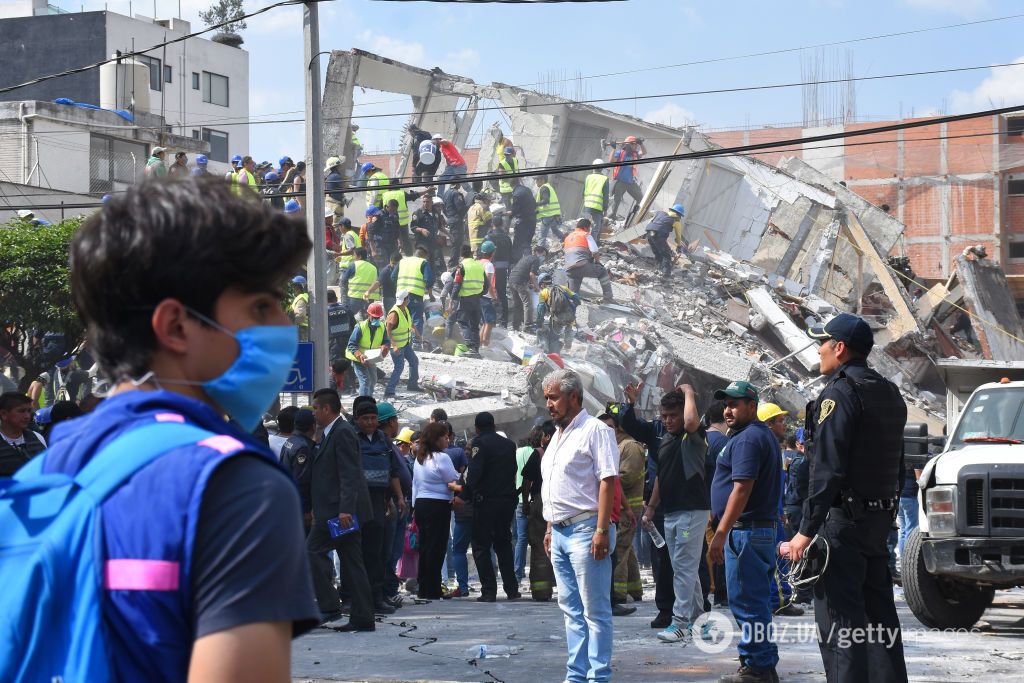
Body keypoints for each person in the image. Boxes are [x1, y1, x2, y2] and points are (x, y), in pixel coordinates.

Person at [42, 176, 318, 677]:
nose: (284, 324)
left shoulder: (45, 470)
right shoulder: (237, 487)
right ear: (174, 326)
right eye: (260, 305)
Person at [788, 313, 909, 683]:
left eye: (822, 344)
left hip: (842, 528)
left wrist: (805, 531)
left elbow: (828, 468)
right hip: (876, 524)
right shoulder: (888, 391)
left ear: (839, 349)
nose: (818, 351)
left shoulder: (839, 393)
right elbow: (899, 462)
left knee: (842, 628)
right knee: (880, 628)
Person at [541, 369, 619, 683]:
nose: (549, 404)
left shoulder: (595, 430)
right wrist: (549, 529)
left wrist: (601, 530)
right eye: (546, 398)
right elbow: (554, 487)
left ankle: (598, 677)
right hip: (559, 533)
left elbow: (607, 481)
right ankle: (576, 675)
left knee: (595, 612)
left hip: (587, 531)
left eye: (554, 397)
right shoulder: (558, 435)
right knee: (571, 611)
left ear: (574, 397)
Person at [708, 381, 781, 683]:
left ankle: (758, 667)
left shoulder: (749, 439)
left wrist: (721, 532)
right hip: (755, 532)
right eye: (726, 404)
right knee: (755, 601)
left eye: (735, 404)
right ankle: (759, 663)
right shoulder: (753, 436)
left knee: (748, 603)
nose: (728, 409)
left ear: (752, 407)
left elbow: (742, 488)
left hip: (745, 533)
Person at [629, 387, 710, 643]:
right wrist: (651, 508)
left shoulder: (693, 437)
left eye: (672, 415)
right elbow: (662, 478)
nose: (668, 420)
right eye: (664, 416)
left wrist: (689, 392)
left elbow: (689, 421)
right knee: (683, 568)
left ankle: (680, 623)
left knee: (684, 568)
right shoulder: (665, 441)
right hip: (671, 512)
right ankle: (700, 622)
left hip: (692, 511)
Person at [308, 389, 377, 630]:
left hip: (342, 514)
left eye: (316, 408)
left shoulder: (342, 432)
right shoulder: (331, 433)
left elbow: (349, 474)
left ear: (327, 409)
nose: (314, 413)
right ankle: (361, 616)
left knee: (313, 552)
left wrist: (346, 510)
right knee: (351, 562)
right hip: (334, 512)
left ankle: (332, 607)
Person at [458, 412, 520, 601]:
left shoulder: (479, 443)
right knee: (504, 543)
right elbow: (512, 471)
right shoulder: (509, 445)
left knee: (481, 545)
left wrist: (464, 496)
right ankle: (511, 589)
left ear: (477, 428)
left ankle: (489, 590)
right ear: (493, 425)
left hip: (486, 502)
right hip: (506, 501)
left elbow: (474, 473)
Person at [351, 397, 405, 615]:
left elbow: (392, 472)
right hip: (357, 500)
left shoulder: (383, 440)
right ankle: (356, 599)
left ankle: (377, 597)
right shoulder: (352, 438)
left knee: (378, 552)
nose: (370, 422)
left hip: (379, 500)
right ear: (357, 420)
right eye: (365, 418)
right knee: (357, 552)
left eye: (373, 418)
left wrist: (397, 497)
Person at [757, 402, 803, 617]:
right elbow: (770, 484)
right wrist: (777, 510)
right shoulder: (769, 447)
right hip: (769, 513)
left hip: (770, 511)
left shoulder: (768, 446)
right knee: (779, 557)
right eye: (780, 421)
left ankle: (772, 598)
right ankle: (781, 600)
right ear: (768, 424)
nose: (784, 425)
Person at [599, 412, 646, 608]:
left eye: (609, 427)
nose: (605, 431)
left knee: (618, 548)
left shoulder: (630, 447)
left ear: (617, 427)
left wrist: (604, 479)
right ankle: (635, 588)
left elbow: (626, 477)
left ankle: (617, 594)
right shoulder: (614, 446)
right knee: (627, 548)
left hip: (628, 507)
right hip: (619, 506)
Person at [413, 422, 460, 600]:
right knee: (437, 547)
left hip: (421, 503)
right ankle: (433, 588)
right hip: (438, 504)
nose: (447, 440)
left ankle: (424, 587)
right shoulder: (442, 457)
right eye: (445, 437)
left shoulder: (420, 457)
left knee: (425, 547)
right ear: (436, 439)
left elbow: (415, 484)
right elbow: (453, 478)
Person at [521, 420, 557, 601]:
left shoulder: (539, 454)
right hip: (563, 502)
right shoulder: (564, 451)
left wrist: (525, 502)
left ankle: (542, 591)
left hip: (541, 501)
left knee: (539, 546)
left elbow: (527, 481)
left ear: (547, 436)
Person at [279, 408, 315, 529]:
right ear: (313, 426)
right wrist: (305, 510)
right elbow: (302, 479)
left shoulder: (290, 441)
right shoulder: (303, 447)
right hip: (299, 504)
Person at [563, 219, 613, 302]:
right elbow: (595, 251)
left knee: (573, 295)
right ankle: (608, 298)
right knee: (602, 272)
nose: (590, 229)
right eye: (589, 227)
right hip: (582, 266)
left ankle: (572, 304)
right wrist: (598, 262)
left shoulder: (568, 237)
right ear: (586, 228)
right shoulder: (586, 235)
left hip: (569, 269)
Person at [346, 302, 390, 397]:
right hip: (358, 358)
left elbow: (386, 341)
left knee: (373, 380)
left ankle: (368, 398)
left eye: (378, 317)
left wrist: (385, 346)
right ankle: (363, 403)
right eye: (374, 317)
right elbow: (351, 344)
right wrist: (359, 355)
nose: (376, 319)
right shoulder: (360, 327)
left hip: (371, 358)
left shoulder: (382, 327)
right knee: (365, 381)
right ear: (368, 315)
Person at [448, 244, 485, 354]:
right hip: (477, 299)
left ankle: (470, 346)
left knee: (463, 322)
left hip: (466, 299)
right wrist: (480, 293)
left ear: (461, 254)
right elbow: (486, 284)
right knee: (474, 325)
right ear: (471, 253)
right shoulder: (479, 265)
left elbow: (457, 284)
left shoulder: (462, 266)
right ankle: (476, 350)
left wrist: (452, 300)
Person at [383, 290, 421, 398]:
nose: (409, 300)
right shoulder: (394, 313)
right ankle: (389, 391)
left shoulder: (405, 309)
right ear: (405, 299)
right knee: (399, 367)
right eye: (407, 298)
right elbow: (388, 330)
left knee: (414, 361)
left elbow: (410, 322)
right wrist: (394, 346)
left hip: (405, 344)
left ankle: (412, 385)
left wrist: (417, 333)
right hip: (397, 346)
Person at [0, 392, 48, 476]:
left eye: (29, 411)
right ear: (3, 414)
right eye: (21, 411)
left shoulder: (37, 437)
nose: (27, 416)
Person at [483, 209, 514, 327]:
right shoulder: (507, 238)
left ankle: (489, 320)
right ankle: (504, 321)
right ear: (501, 224)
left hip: (489, 269)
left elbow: (483, 255)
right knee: (502, 293)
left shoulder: (488, 237)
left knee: (487, 293)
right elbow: (511, 256)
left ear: (492, 224)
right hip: (502, 270)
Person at [536, 273, 580, 354]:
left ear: (542, 284)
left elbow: (540, 309)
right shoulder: (563, 288)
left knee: (552, 337)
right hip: (570, 316)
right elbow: (577, 299)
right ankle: (567, 342)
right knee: (567, 328)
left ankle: (552, 354)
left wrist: (539, 322)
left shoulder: (544, 292)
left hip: (558, 319)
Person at [509, 244, 547, 332]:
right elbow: (531, 274)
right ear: (538, 252)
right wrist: (537, 287)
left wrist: (529, 284)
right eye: (543, 255)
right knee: (528, 303)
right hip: (519, 282)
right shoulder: (535, 260)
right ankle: (528, 326)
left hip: (511, 280)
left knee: (518, 304)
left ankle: (516, 326)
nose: (543, 258)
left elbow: (523, 271)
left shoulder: (526, 257)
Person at [608, 136, 647, 219]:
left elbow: (644, 152)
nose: (635, 146)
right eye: (634, 144)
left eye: (636, 144)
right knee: (616, 200)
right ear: (628, 145)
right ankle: (612, 216)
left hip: (630, 182)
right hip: (620, 181)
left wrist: (641, 144)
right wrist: (613, 148)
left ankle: (635, 214)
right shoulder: (620, 153)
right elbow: (611, 161)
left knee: (640, 198)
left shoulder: (635, 154)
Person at [645, 204, 685, 279]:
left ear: (671, 210)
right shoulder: (676, 220)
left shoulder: (660, 213)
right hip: (659, 236)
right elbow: (678, 237)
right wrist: (679, 246)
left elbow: (650, 222)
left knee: (658, 252)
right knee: (666, 255)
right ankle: (666, 276)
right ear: (679, 215)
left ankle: (659, 269)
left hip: (649, 234)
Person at [340, 247, 380, 318]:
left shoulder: (353, 265)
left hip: (355, 296)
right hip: (369, 296)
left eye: (354, 255)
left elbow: (343, 280)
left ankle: (352, 328)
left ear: (359, 256)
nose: (353, 257)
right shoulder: (373, 267)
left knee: (350, 316)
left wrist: (345, 295)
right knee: (367, 316)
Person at [508, 176, 537, 263]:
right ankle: (529, 264)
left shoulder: (516, 194)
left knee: (517, 245)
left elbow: (514, 210)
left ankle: (515, 265)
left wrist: (507, 214)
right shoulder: (527, 190)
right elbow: (534, 204)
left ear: (511, 185)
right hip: (532, 220)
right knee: (527, 244)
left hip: (523, 223)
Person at [581, 160, 610, 244]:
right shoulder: (604, 179)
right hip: (597, 207)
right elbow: (605, 196)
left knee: (585, 226)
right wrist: (605, 209)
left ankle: (583, 243)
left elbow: (583, 193)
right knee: (595, 227)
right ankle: (592, 246)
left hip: (587, 206)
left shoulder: (588, 177)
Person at [442, 181, 469, 268]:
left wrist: (450, 217)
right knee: (456, 243)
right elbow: (461, 208)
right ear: (457, 184)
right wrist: (468, 207)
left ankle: (453, 263)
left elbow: (444, 208)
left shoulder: (446, 193)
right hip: (457, 220)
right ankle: (452, 264)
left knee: (455, 242)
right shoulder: (456, 194)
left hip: (450, 219)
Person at [478, 241, 499, 347]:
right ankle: (485, 345)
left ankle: (481, 344)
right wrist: (494, 297)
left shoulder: (478, 262)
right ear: (492, 252)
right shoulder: (489, 265)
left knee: (484, 322)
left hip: (477, 295)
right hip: (486, 297)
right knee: (489, 322)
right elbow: (488, 283)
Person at [534, 175, 564, 248]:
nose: (536, 181)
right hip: (554, 215)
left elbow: (546, 201)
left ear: (542, 180)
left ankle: (540, 255)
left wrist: (534, 204)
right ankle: (566, 240)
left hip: (548, 216)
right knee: (555, 230)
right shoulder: (549, 187)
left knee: (542, 236)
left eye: (537, 179)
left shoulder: (544, 188)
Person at [327, 289, 355, 363]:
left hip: (333, 343)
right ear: (336, 299)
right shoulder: (346, 309)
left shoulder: (324, 312)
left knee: (335, 366)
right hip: (348, 340)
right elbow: (354, 325)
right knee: (347, 363)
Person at [467, 185, 491, 253]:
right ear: (484, 199)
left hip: (473, 239)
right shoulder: (483, 207)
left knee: (475, 256)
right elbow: (489, 221)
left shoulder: (472, 207)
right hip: (481, 239)